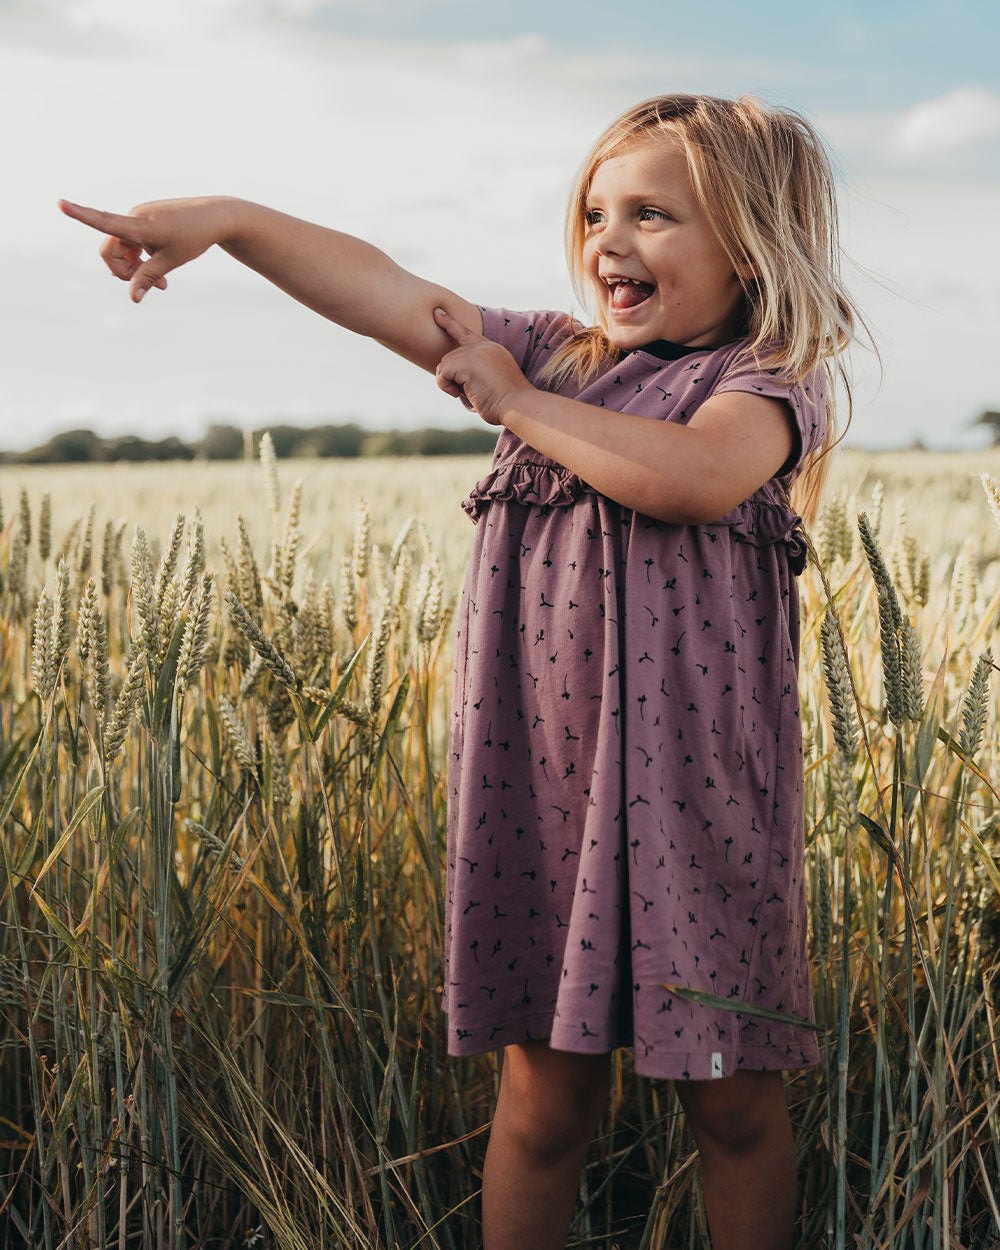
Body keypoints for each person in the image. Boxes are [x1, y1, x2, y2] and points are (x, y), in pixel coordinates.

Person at [61, 91, 863, 1250]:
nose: (610, 241)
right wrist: (228, 221)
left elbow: (691, 478)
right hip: (542, 785)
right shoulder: (554, 350)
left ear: (752, 240)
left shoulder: (763, 382)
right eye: (596, 212)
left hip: (697, 798)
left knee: (732, 1097)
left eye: (653, 214)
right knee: (541, 1100)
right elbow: (384, 288)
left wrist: (519, 403)